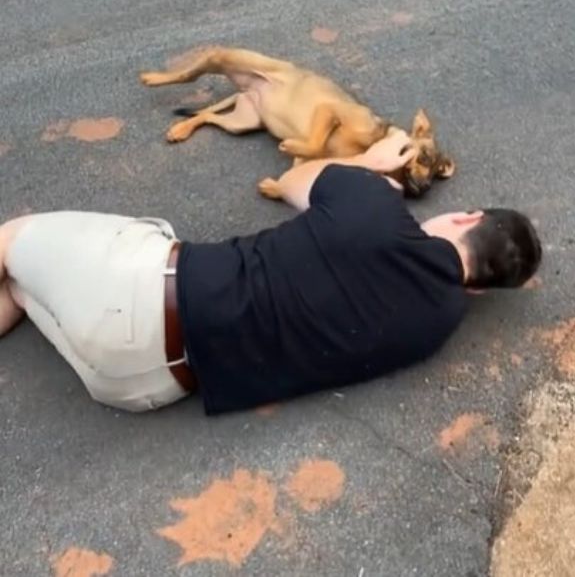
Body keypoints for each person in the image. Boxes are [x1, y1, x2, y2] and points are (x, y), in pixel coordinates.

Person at [0, 131, 541, 415]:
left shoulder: (373, 207)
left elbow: (291, 180)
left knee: (10, 239)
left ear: (468, 216)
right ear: (475, 288)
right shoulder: (438, 326)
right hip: (143, 387)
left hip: (134, 290)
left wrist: (371, 164)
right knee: (22, 291)